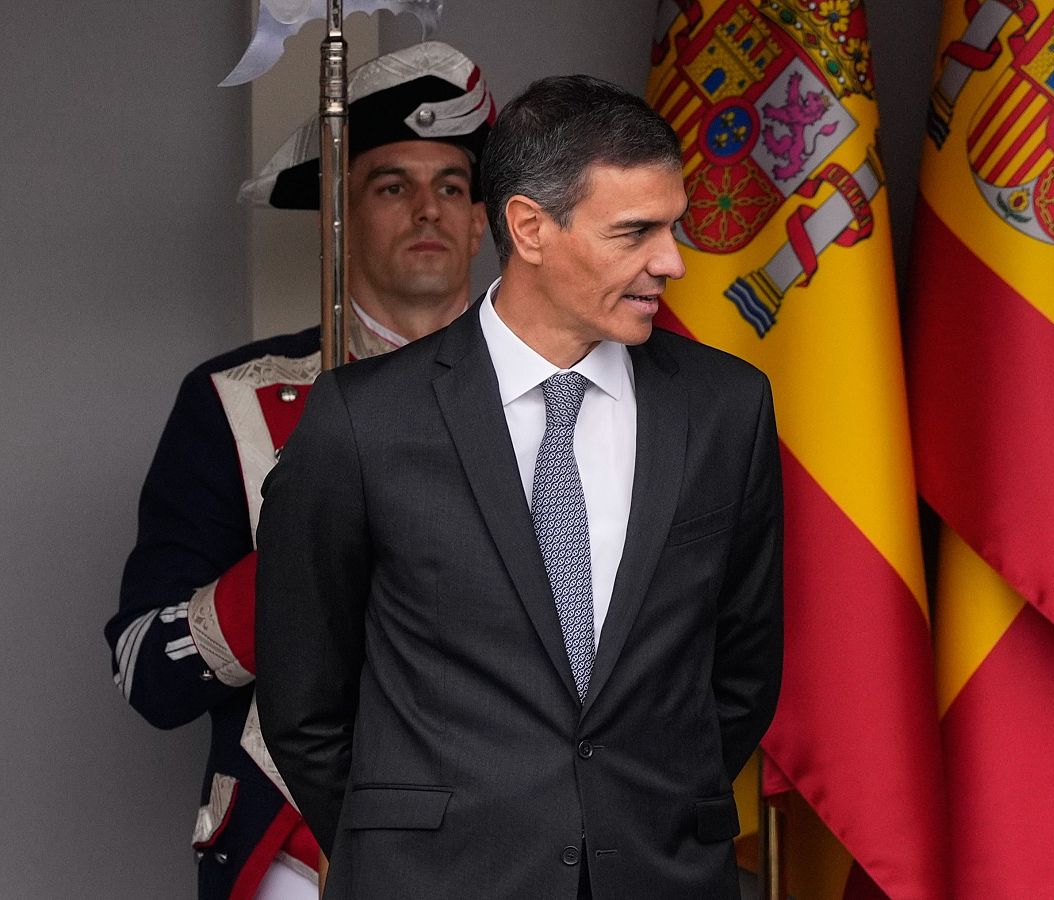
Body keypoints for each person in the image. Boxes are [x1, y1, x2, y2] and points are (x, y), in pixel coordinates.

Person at [253, 74, 784, 899]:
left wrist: (639, 811)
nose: (672, 262)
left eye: (672, 227)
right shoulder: (364, 420)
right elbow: (304, 700)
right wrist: (411, 845)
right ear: (530, 227)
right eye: (635, 232)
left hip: (661, 874)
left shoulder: (727, 408)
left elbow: (742, 673)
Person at [105, 42, 494, 899]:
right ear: (338, 213)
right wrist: (304, 553)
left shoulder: (563, 401)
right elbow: (148, 672)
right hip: (300, 853)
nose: (428, 209)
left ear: (480, 222)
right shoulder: (231, 401)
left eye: (454, 187)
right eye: (392, 185)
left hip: (516, 845)